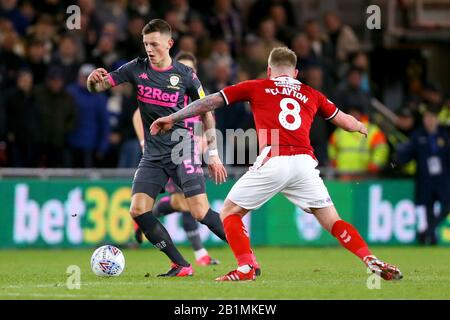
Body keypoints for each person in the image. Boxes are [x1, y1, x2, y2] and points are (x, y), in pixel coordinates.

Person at [151, 47, 403, 282]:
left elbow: (209, 102)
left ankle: (246, 267)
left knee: (229, 212)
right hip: (305, 164)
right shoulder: (311, 93)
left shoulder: (258, 86)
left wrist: (173, 116)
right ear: (295, 73)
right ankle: (368, 258)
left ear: (269, 70)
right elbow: (346, 122)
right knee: (332, 221)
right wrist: (360, 127)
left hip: (275, 159)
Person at [86, 19, 229, 277]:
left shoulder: (186, 75)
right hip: (153, 154)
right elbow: (100, 86)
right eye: (146, 44)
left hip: (182, 149)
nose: (149, 49)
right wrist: (93, 80)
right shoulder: (136, 69)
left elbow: (207, 111)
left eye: (154, 44)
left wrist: (213, 154)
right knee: (138, 209)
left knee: (199, 211)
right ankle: (181, 265)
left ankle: (246, 255)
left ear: (169, 44)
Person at [133, 51, 219, 266]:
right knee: (186, 204)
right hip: (168, 153)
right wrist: (144, 142)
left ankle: (149, 216)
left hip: (189, 154)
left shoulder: (199, 97)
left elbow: (208, 123)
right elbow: (138, 114)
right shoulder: (168, 92)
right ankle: (200, 254)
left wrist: (206, 145)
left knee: (186, 204)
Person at [396, 104, 450, 245]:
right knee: (427, 209)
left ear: (437, 119)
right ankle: (430, 238)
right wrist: (395, 162)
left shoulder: (444, 136)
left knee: (447, 205)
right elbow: (407, 154)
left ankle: (428, 230)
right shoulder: (418, 136)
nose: (429, 120)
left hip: (442, 179)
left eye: (431, 117)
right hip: (425, 179)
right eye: (426, 117)